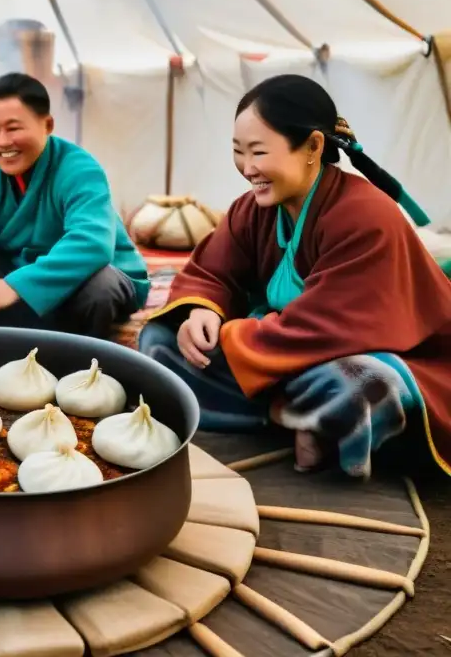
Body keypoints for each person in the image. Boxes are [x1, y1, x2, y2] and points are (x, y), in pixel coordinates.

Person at [139, 74, 451, 478]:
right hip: (279, 350)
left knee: (367, 383)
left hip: (366, 352)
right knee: (160, 342)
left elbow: (329, 326)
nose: (248, 169)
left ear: (313, 147)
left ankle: (292, 412)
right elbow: (212, 270)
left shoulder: (366, 216)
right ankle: (295, 417)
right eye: (238, 152)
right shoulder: (251, 209)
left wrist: (233, 336)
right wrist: (204, 309)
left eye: (259, 152)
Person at [0, 72, 149, 338]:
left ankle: (30, 336)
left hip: (88, 274)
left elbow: (92, 243)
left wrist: (16, 287)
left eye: (14, 128)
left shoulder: (80, 169)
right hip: (18, 269)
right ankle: (26, 327)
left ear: (47, 125)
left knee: (100, 288)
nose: (3, 142)